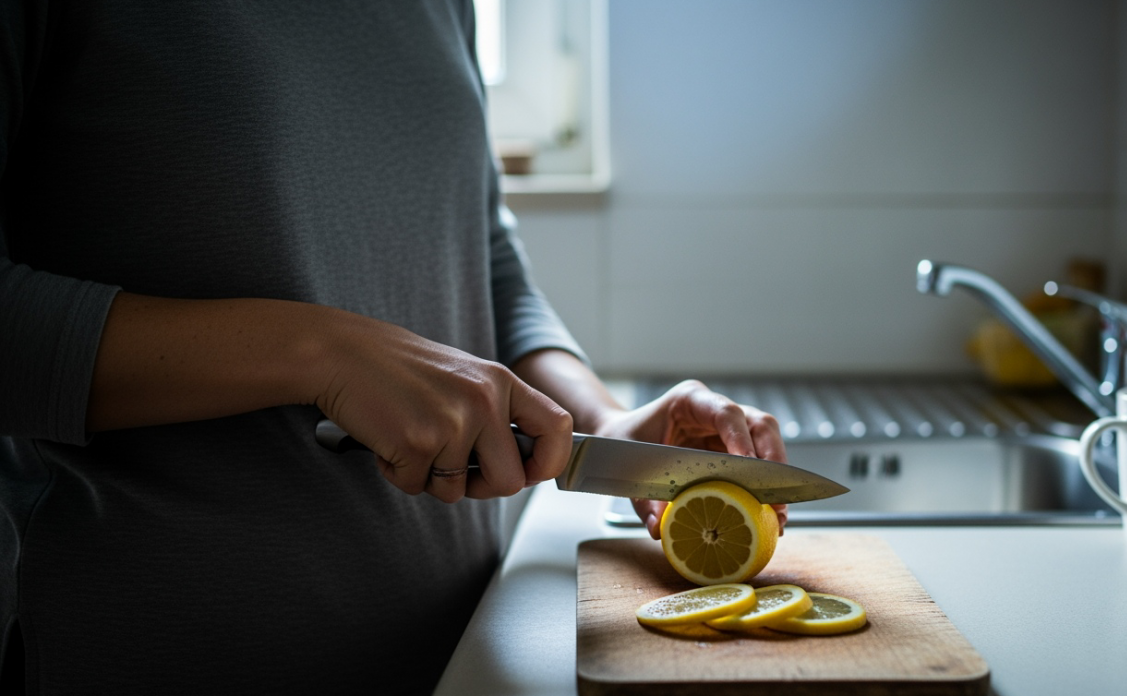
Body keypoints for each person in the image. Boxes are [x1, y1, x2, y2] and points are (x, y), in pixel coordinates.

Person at [0, 2, 787, 694]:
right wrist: (319, 349)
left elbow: (483, 256)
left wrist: (600, 421)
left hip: (464, 645)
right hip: (180, 655)